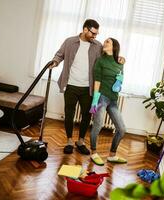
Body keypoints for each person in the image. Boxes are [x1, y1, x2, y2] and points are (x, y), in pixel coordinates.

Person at [51, 19, 124, 155]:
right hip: (71, 85)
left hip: (87, 87)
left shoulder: (97, 45)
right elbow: (59, 55)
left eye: (96, 34)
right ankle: (69, 141)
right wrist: (55, 62)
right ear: (85, 30)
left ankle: (81, 141)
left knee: (86, 115)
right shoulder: (70, 42)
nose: (95, 36)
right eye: (93, 33)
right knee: (69, 114)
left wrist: (120, 59)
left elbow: (108, 58)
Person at [89, 38, 127, 166]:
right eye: (104, 41)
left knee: (121, 129)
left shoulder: (120, 62)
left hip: (113, 100)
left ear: (114, 46)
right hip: (101, 98)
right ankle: (93, 152)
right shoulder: (100, 61)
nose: (104, 43)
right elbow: (97, 81)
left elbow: (119, 81)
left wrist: (120, 80)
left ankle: (112, 156)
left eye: (108, 42)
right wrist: (95, 101)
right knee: (98, 125)